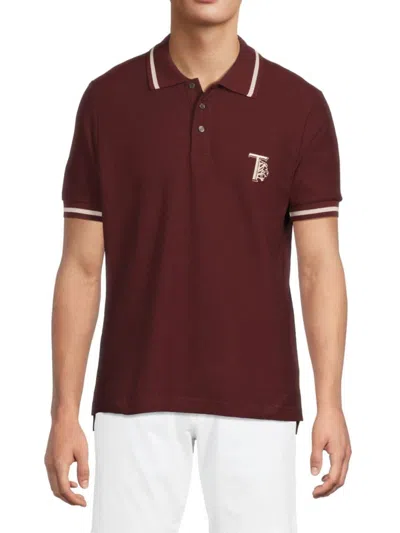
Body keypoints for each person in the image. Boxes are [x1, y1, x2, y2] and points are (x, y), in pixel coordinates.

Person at [45, 1, 351, 531]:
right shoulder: (107, 102)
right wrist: (62, 412)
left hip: (259, 398)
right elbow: (80, 267)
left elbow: (319, 267)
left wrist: (331, 403)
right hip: (133, 394)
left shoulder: (298, 106)